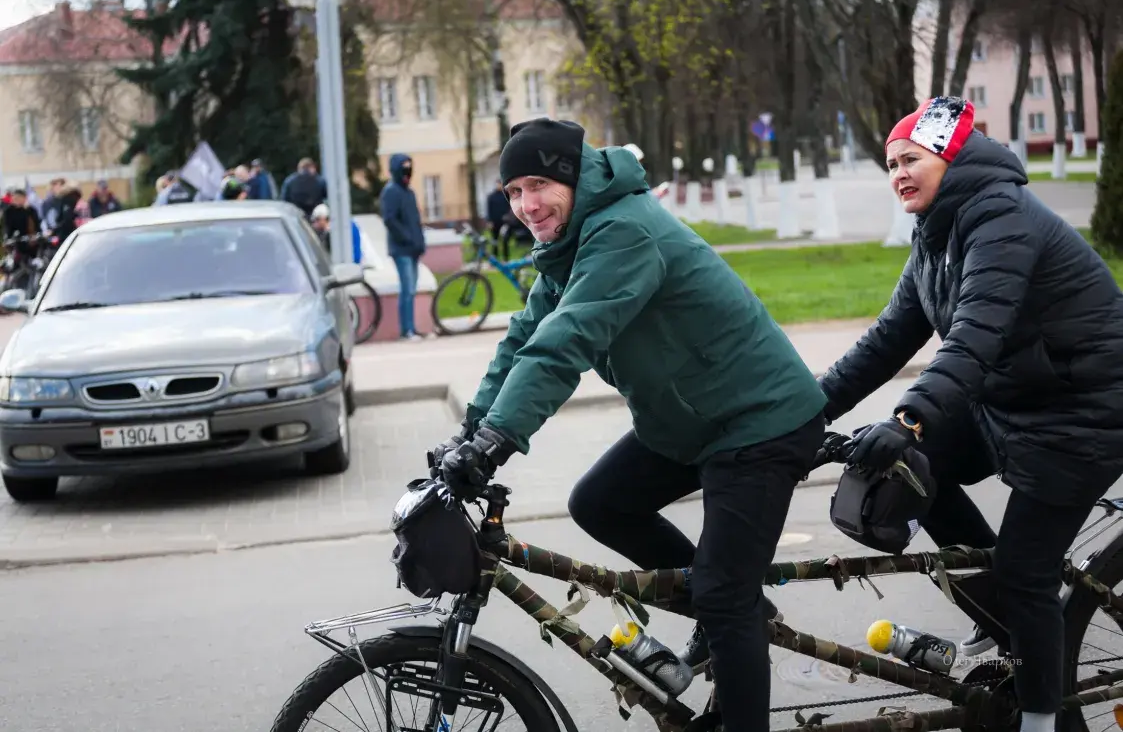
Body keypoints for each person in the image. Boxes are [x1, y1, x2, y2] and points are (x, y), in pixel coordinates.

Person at [429, 118, 827, 732]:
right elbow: (526, 337)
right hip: (692, 419)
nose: (526, 204)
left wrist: (497, 441)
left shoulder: (623, 230)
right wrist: (470, 433)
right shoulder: (571, 239)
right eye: (512, 191)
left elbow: (569, 338)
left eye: (537, 184)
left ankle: (731, 619)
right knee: (600, 503)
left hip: (758, 421)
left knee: (724, 596)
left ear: (571, 177)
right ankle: (736, 609)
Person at [817, 96, 1123, 732]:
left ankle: (1041, 719)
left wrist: (907, 418)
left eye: (910, 159)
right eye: (890, 163)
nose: (897, 173)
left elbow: (976, 336)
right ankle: (1005, 620)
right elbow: (887, 339)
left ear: (951, 159)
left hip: (1085, 414)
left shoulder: (1001, 218)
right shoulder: (935, 232)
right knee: (907, 473)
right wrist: (802, 413)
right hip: (1014, 403)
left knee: (1025, 571)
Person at [379, 154, 427, 341]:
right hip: (401, 249)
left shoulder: (409, 192)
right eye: (403, 167)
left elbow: (415, 221)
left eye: (409, 166)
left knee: (412, 290)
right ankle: (406, 330)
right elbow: (390, 220)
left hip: (413, 248)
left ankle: (412, 328)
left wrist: (419, 241)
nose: (407, 171)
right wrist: (407, 239)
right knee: (407, 289)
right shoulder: (391, 191)